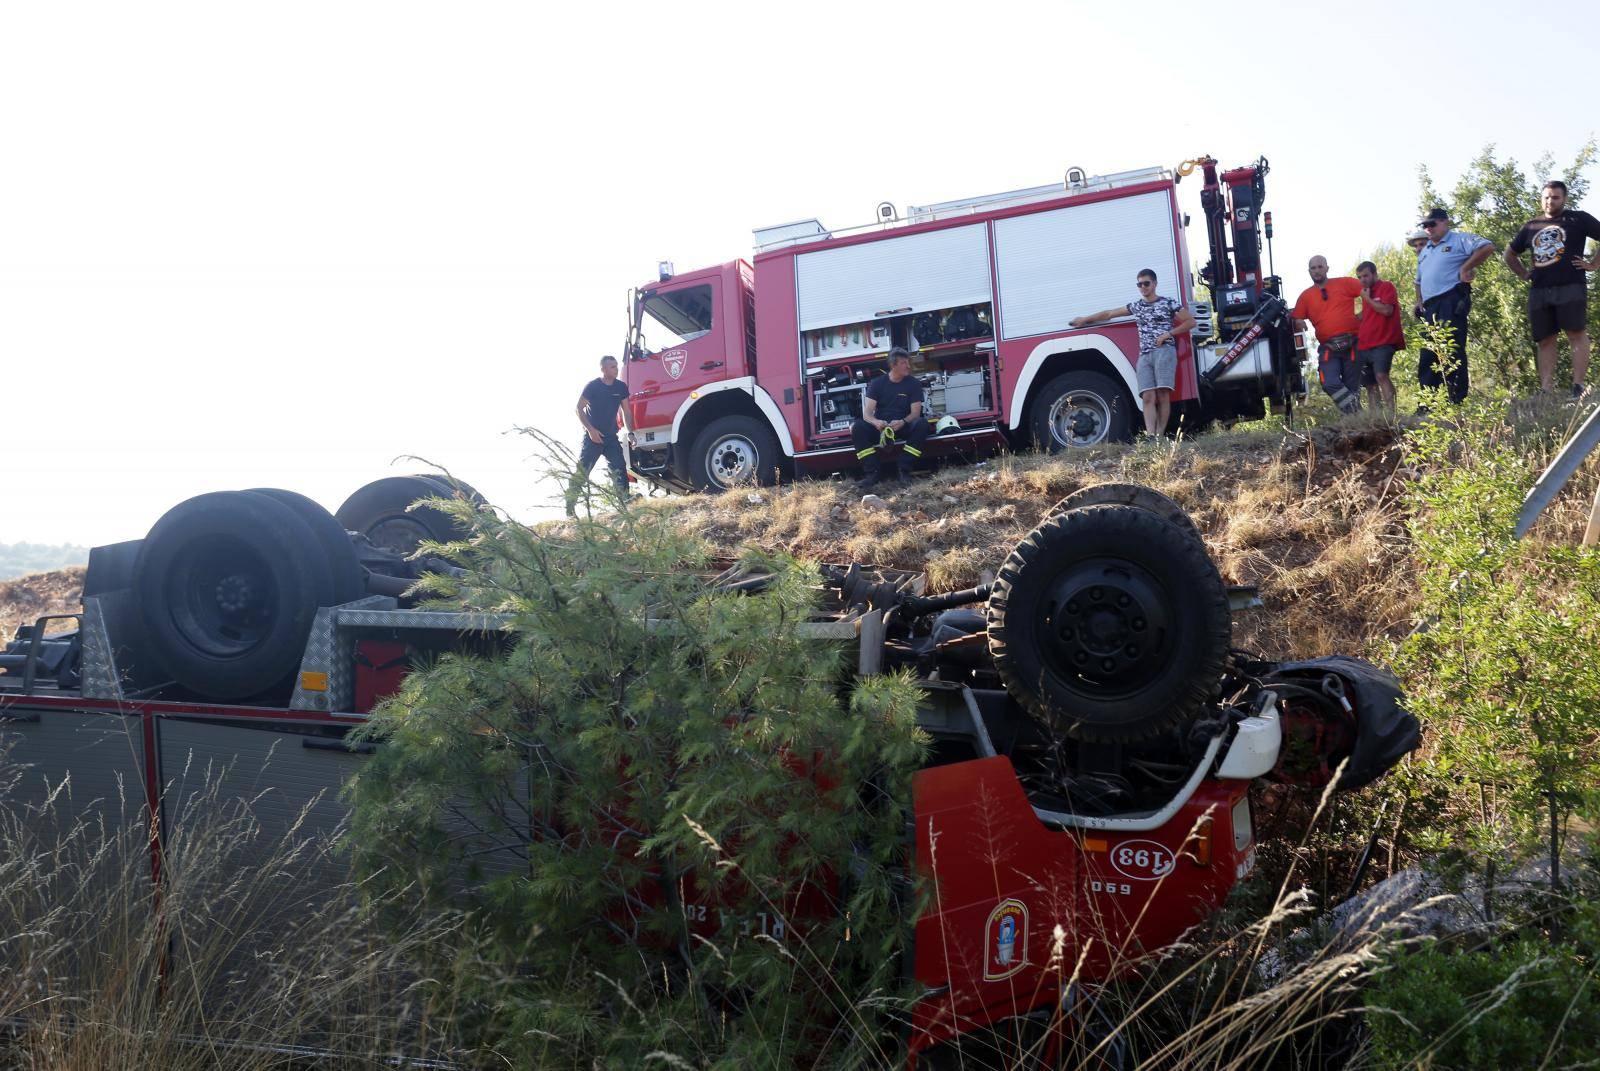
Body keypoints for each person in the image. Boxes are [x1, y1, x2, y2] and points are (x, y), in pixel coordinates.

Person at [1504, 179, 1600, 400]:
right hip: (1539, 289)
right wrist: (1522, 273)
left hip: (1571, 285)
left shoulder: (1578, 218)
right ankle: (1546, 389)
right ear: (1541, 199)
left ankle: (1578, 386)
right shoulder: (1531, 226)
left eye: (1555, 197)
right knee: (1545, 339)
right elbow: (1509, 254)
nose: (1550, 201)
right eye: (1546, 197)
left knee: (1576, 333)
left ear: (1564, 198)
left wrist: (1594, 264)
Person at [1070, 268, 1195, 438]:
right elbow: (1109, 314)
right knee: (1148, 396)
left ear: (1155, 284)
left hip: (1164, 352)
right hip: (1144, 355)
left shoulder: (1169, 303)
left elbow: (1190, 322)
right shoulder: (1137, 306)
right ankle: (1151, 436)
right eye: (1139, 284)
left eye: (1146, 283)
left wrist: (1168, 334)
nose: (1143, 287)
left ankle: (1159, 435)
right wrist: (1085, 319)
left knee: (1163, 395)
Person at [1413, 208, 1495, 406]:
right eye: (1425, 225)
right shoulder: (1425, 252)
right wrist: (1418, 300)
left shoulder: (1459, 240)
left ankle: (1456, 400)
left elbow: (1487, 247)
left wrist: (1466, 267)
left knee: (1452, 350)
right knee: (1428, 355)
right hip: (1430, 308)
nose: (1428, 229)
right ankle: (1428, 403)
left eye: (1432, 224)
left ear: (1444, 222)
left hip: (1450, 300)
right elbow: (1418, 280)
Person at [1291, 256, 1365, 414]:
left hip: (1353, 343)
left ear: (1327, 268)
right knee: (1328, 382)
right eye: (1313, 268)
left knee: (1352, 387)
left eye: (1320, 267)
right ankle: (1357, 411)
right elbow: (1297, 316)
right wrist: (1299, 322)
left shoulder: (1345, 283)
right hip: (1329, 348)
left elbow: (1368, 290)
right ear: (1309, 271)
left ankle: (1355, 421)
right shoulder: (1305, 296)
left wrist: (1365, 312)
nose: (1317, 271)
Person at [565, 355, 634, 515]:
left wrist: (630, 432)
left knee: (619, 468)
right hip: (593, 438)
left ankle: (625, 503)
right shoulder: (593, 386)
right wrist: (590, 430)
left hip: (611, 437)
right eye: (612, 367)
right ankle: (570, 509)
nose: (616, 369)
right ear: (603, 369)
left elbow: (627, 411)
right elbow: (578, 409)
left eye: (616, 366)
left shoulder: (621, 387)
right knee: (583, 472)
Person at [852, 347, 930, 488]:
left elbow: (915, 414)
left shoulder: (913, 383)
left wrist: (903, 422)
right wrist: (876, 423)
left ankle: (903, 469)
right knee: (858, 427)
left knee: (922, 424)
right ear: (893, 365)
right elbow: (867, 414)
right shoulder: (877, 384)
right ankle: (872, 473)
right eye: (903, 363)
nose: (908, 366)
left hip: (903, 426)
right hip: (881, 428)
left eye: (908, 362)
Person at [1355, 260, 1404, 415]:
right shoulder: (1365, 294)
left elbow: (1387, 310)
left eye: (1366, 275)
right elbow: (1365, 315)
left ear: (1375, 274)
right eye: (1360, 277)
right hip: (1364, 344)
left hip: (1384, 342)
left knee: (1381, 375)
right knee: (1369, 384)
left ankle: (1391, 414)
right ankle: (1375, 417)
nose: (1363, 279)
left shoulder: (1386, 287)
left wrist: (1368, 299)